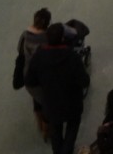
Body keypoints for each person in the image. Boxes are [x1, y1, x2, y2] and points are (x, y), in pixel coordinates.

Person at [25, 22, 90, 154]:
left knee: (56, 132)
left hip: (51, 104)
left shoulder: (39, 56)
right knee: (72, 128)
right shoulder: (72, 57)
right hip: (72, 104)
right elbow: (85, 81)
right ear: (62, 39)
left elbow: (29, 80)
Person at [19, 8, 52, 141]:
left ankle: (39, 123)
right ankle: (46, 129)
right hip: (43, 78)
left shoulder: (25, 34)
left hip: (28, 76)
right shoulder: (47, 38)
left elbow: (19, 50)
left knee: (36, 98)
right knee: (46, 102)